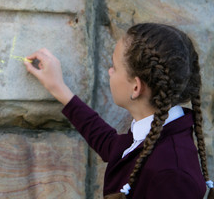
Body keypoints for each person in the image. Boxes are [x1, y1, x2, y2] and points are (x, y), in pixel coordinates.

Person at [24, 23, 214, 199]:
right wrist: (59, 89)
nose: (110, 71)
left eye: (114, 67)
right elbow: (112, 146)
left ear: (136, 88)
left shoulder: (172, 176)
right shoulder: (156, 132)